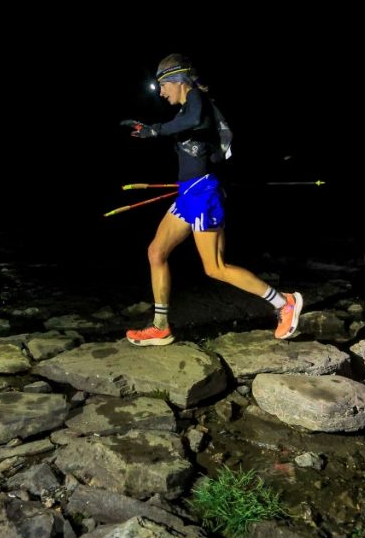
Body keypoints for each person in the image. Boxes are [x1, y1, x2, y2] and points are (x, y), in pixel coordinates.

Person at [122, 53, 303, 346]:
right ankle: (160, 326)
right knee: (156, 252)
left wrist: (154, 130)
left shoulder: (196, 100)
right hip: (188, 194)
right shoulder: (184, 113)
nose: (162, 93)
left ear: (176, 80)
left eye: (163, 86)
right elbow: (204, 147)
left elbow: (195, 120)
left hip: (202, 195)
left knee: (215, 267)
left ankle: (284, 302)